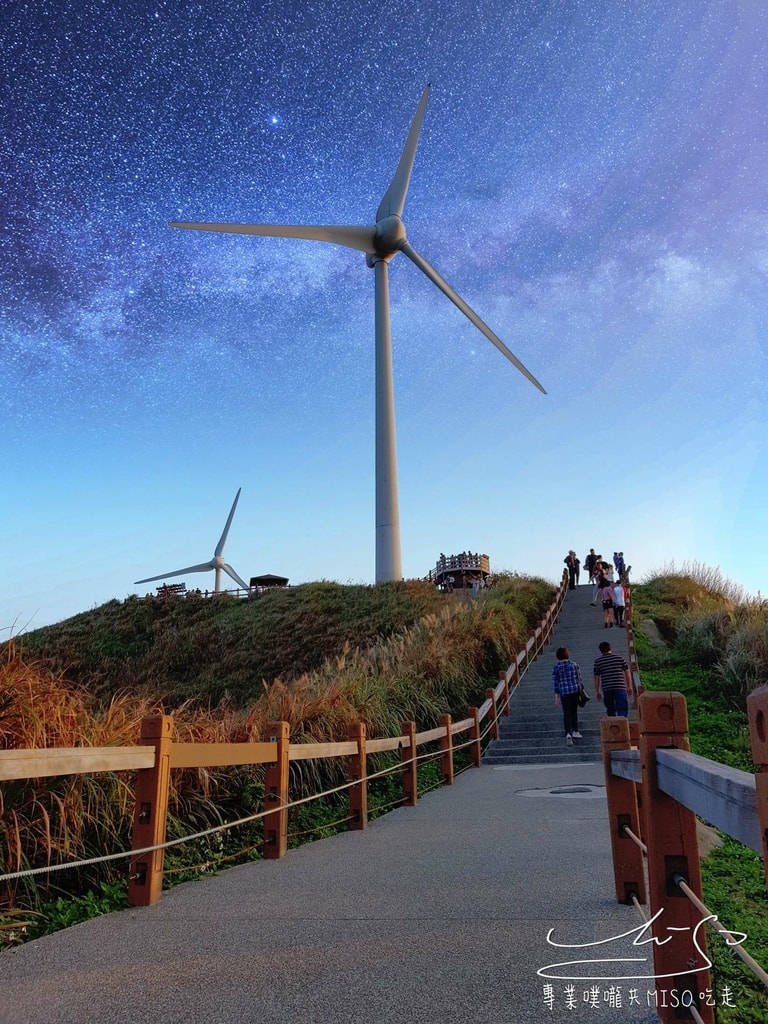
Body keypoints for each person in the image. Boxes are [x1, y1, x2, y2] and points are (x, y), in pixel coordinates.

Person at [552, 646, 583, 745]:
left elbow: (556, 682)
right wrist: (581, 690)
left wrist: (556, 696)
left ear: (558, 656)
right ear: (567, 654)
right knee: (574, 711)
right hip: (574, 691)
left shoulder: (556, 667)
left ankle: (568, 733)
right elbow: (579, 679)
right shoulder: (574, 665)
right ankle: (576, 731)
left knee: (566, 713)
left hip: (564, 692)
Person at [593, 640, 632, 717]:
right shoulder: (619, 658)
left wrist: (597, 691)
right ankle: (623, 726)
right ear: (610, 648)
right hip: (620, 686)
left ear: (600, 650)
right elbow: (627, 672)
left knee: (610, 710)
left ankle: (613, 726)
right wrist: (629, 686)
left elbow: (596, 677)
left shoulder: (598, 662)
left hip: (607, 688)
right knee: (622, 709)